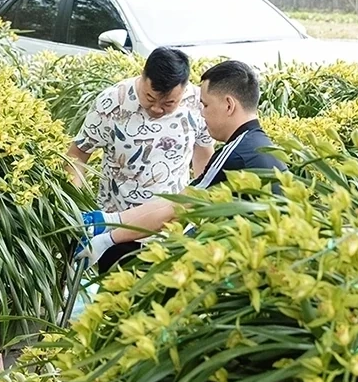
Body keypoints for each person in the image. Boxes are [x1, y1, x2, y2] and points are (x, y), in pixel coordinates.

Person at [78, 60, 287, 273]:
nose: (202, 113)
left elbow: (177, 208)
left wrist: (107, 236)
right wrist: (109, 220)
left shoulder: (236, 155)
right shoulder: (260, 147)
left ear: (229, 105)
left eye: (205, 105)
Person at [67, 47, 215, 217]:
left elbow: (203, 155)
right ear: (142, 76)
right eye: (150, 98)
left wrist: (202, 207)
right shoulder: (113, 101)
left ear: (184, 88)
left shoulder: (197, 102)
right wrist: (76, 207)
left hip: (171, 222)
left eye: (168, 104)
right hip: (113, 221)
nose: (156, 109)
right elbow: (77, 154)